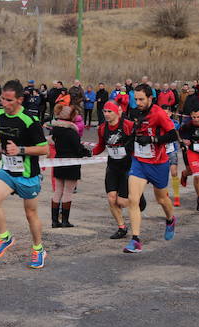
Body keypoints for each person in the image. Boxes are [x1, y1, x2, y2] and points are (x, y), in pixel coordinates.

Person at [0, 80, 50, 268]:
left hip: (28, 174)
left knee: (30, 214)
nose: (4, 103)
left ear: (20, 100)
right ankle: (5, 237)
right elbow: (7, 141)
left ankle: (38, 249)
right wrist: (0, 151)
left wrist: (20, 150)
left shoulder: (30, 121)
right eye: (2, 99)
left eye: (9, 100)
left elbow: (44, 149)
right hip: (8, 170)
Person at [123, 84, 179, 253]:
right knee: (133, 200)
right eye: (136, 99)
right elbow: (134, 131)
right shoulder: (135, 112)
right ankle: (135, 240)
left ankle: (170, 219)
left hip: (158, 163)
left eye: (141, 99)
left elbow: (172, 135)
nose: (138, 102)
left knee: (162, 199)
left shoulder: (159, 113)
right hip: (139, 162)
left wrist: (153, 140)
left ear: (150, 98)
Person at [93, 101, 145, 238]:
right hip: (112, 166)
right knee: (111, 199)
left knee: (122, 202)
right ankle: (121, 227)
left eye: (109, 111)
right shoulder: (102, 128)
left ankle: (138, 198)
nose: (106, 114)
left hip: (128, 166)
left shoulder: (128, 125)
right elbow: (100, 145)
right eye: (104, 111)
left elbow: (139, 141)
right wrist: (89, 153)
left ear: (118, 111)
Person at [49, 104, 88, 228]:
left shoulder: (55, 130)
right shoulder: (72, 132)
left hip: (59, 162)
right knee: (68, 192)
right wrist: (87, 152)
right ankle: (65, 221)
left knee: (58, 190)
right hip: (71, 163)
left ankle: (54, 221)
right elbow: (78, 149)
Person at [179, 107, 199, 212]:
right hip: (193, 152)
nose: (196, 119)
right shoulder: (187, 125)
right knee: (197, 175)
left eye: (198, 117)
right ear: (190, 116)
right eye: (194, 117)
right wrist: (183, 140)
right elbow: (180, 133)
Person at [160, 104, 182, 207]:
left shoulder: (175, 123)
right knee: (163, 174)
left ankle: (177, 197)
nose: (165, 115)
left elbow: (178, 133)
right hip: (161, 152)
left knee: (174, 173)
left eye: (166, 113)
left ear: (170, 113)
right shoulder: (158, 124)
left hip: (172, 150)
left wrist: (181, 142)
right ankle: (166, 195)